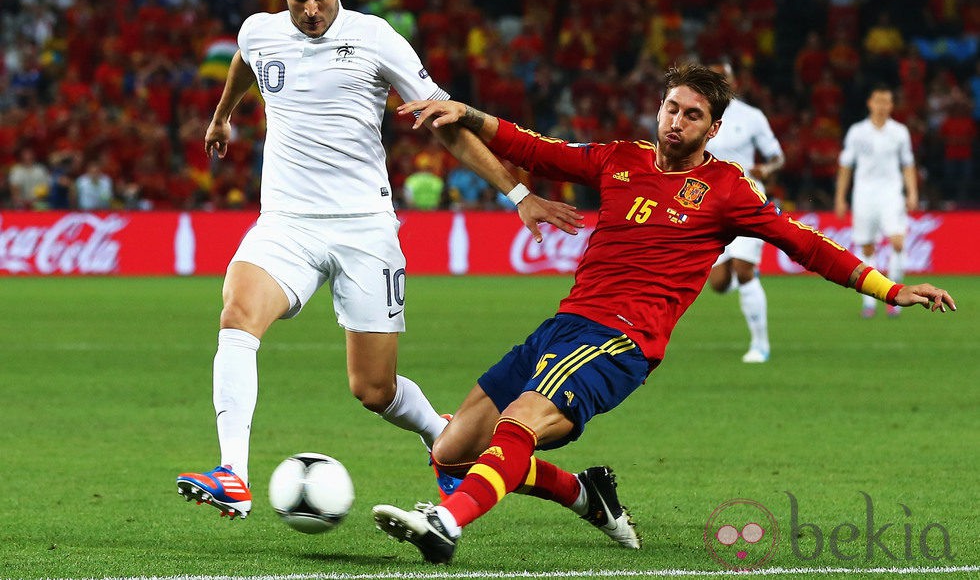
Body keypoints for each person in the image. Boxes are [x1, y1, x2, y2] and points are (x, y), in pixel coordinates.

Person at [371, 64, 956, 565]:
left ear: (714, 128)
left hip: (623, 341)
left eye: (692, 115)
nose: (676, 121)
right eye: (670, 108)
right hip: (564, 325)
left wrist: (889, 288)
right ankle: (585, 494)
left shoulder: (728, 189)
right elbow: (534, 148)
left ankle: (447, 525)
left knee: (521, 420)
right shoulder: (618, 160)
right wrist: (466, 114)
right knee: (450, 450)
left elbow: (804, 242)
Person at [175, 0, 580, 520]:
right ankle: (233, 474)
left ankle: (443, 441)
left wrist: (516, 193)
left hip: (365, 231)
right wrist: (222, 117)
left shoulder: (375, 39)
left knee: (373, 389)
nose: (310, 10)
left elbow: (444, 121)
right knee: (238, 315)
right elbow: (245, 60)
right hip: (286, 224)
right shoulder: (259, 31)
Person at [704, 62, 784, 363]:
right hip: (708, 204)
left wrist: (768, 167)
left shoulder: (752, 117)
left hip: (746, 198)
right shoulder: (696, 115)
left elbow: (778, 156)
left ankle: (760, 345)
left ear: (734, 81)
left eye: (722, 78)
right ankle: (741, 270)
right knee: (719, 283)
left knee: (743, 270)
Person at [834, 84, 918, 319]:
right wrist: (841, 197)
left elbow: (908, 164)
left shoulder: (899, 132)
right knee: (867, 247)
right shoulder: (857, 132)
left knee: (898, 242)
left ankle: (895, 298)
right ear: (870, 103)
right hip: (864, 195)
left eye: (887, 102)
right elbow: (845, 166)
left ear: (891, 105)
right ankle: (870, 301)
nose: (882, 106)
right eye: (878, 101)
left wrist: (912, 192)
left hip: (891, 193)